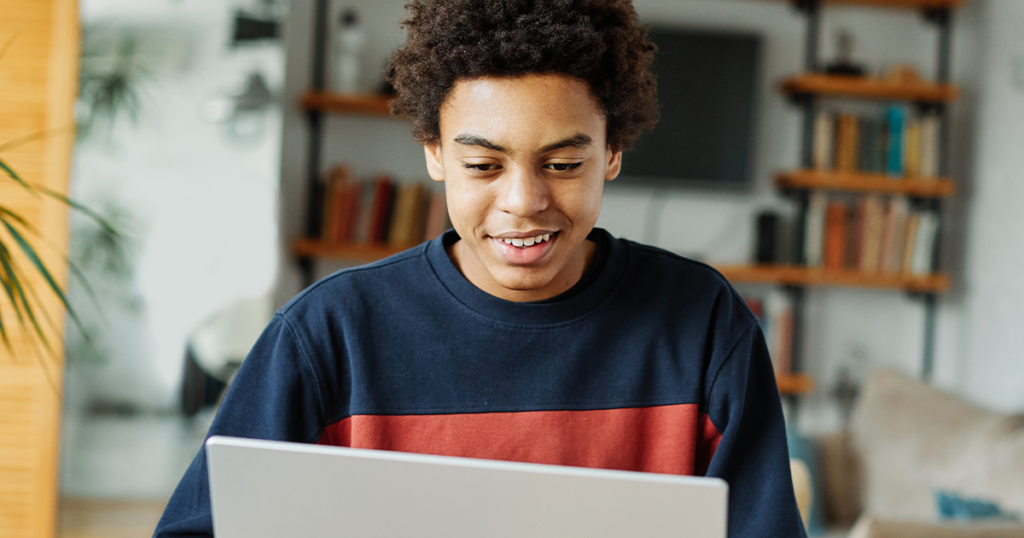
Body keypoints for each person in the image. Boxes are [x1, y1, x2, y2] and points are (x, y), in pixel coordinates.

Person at [154, 0, 806, 536]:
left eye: (563, 164)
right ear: (435, 152)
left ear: (613, 151)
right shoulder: (328, 334)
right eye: (483, 165)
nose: (523, 202)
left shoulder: (703, 323)